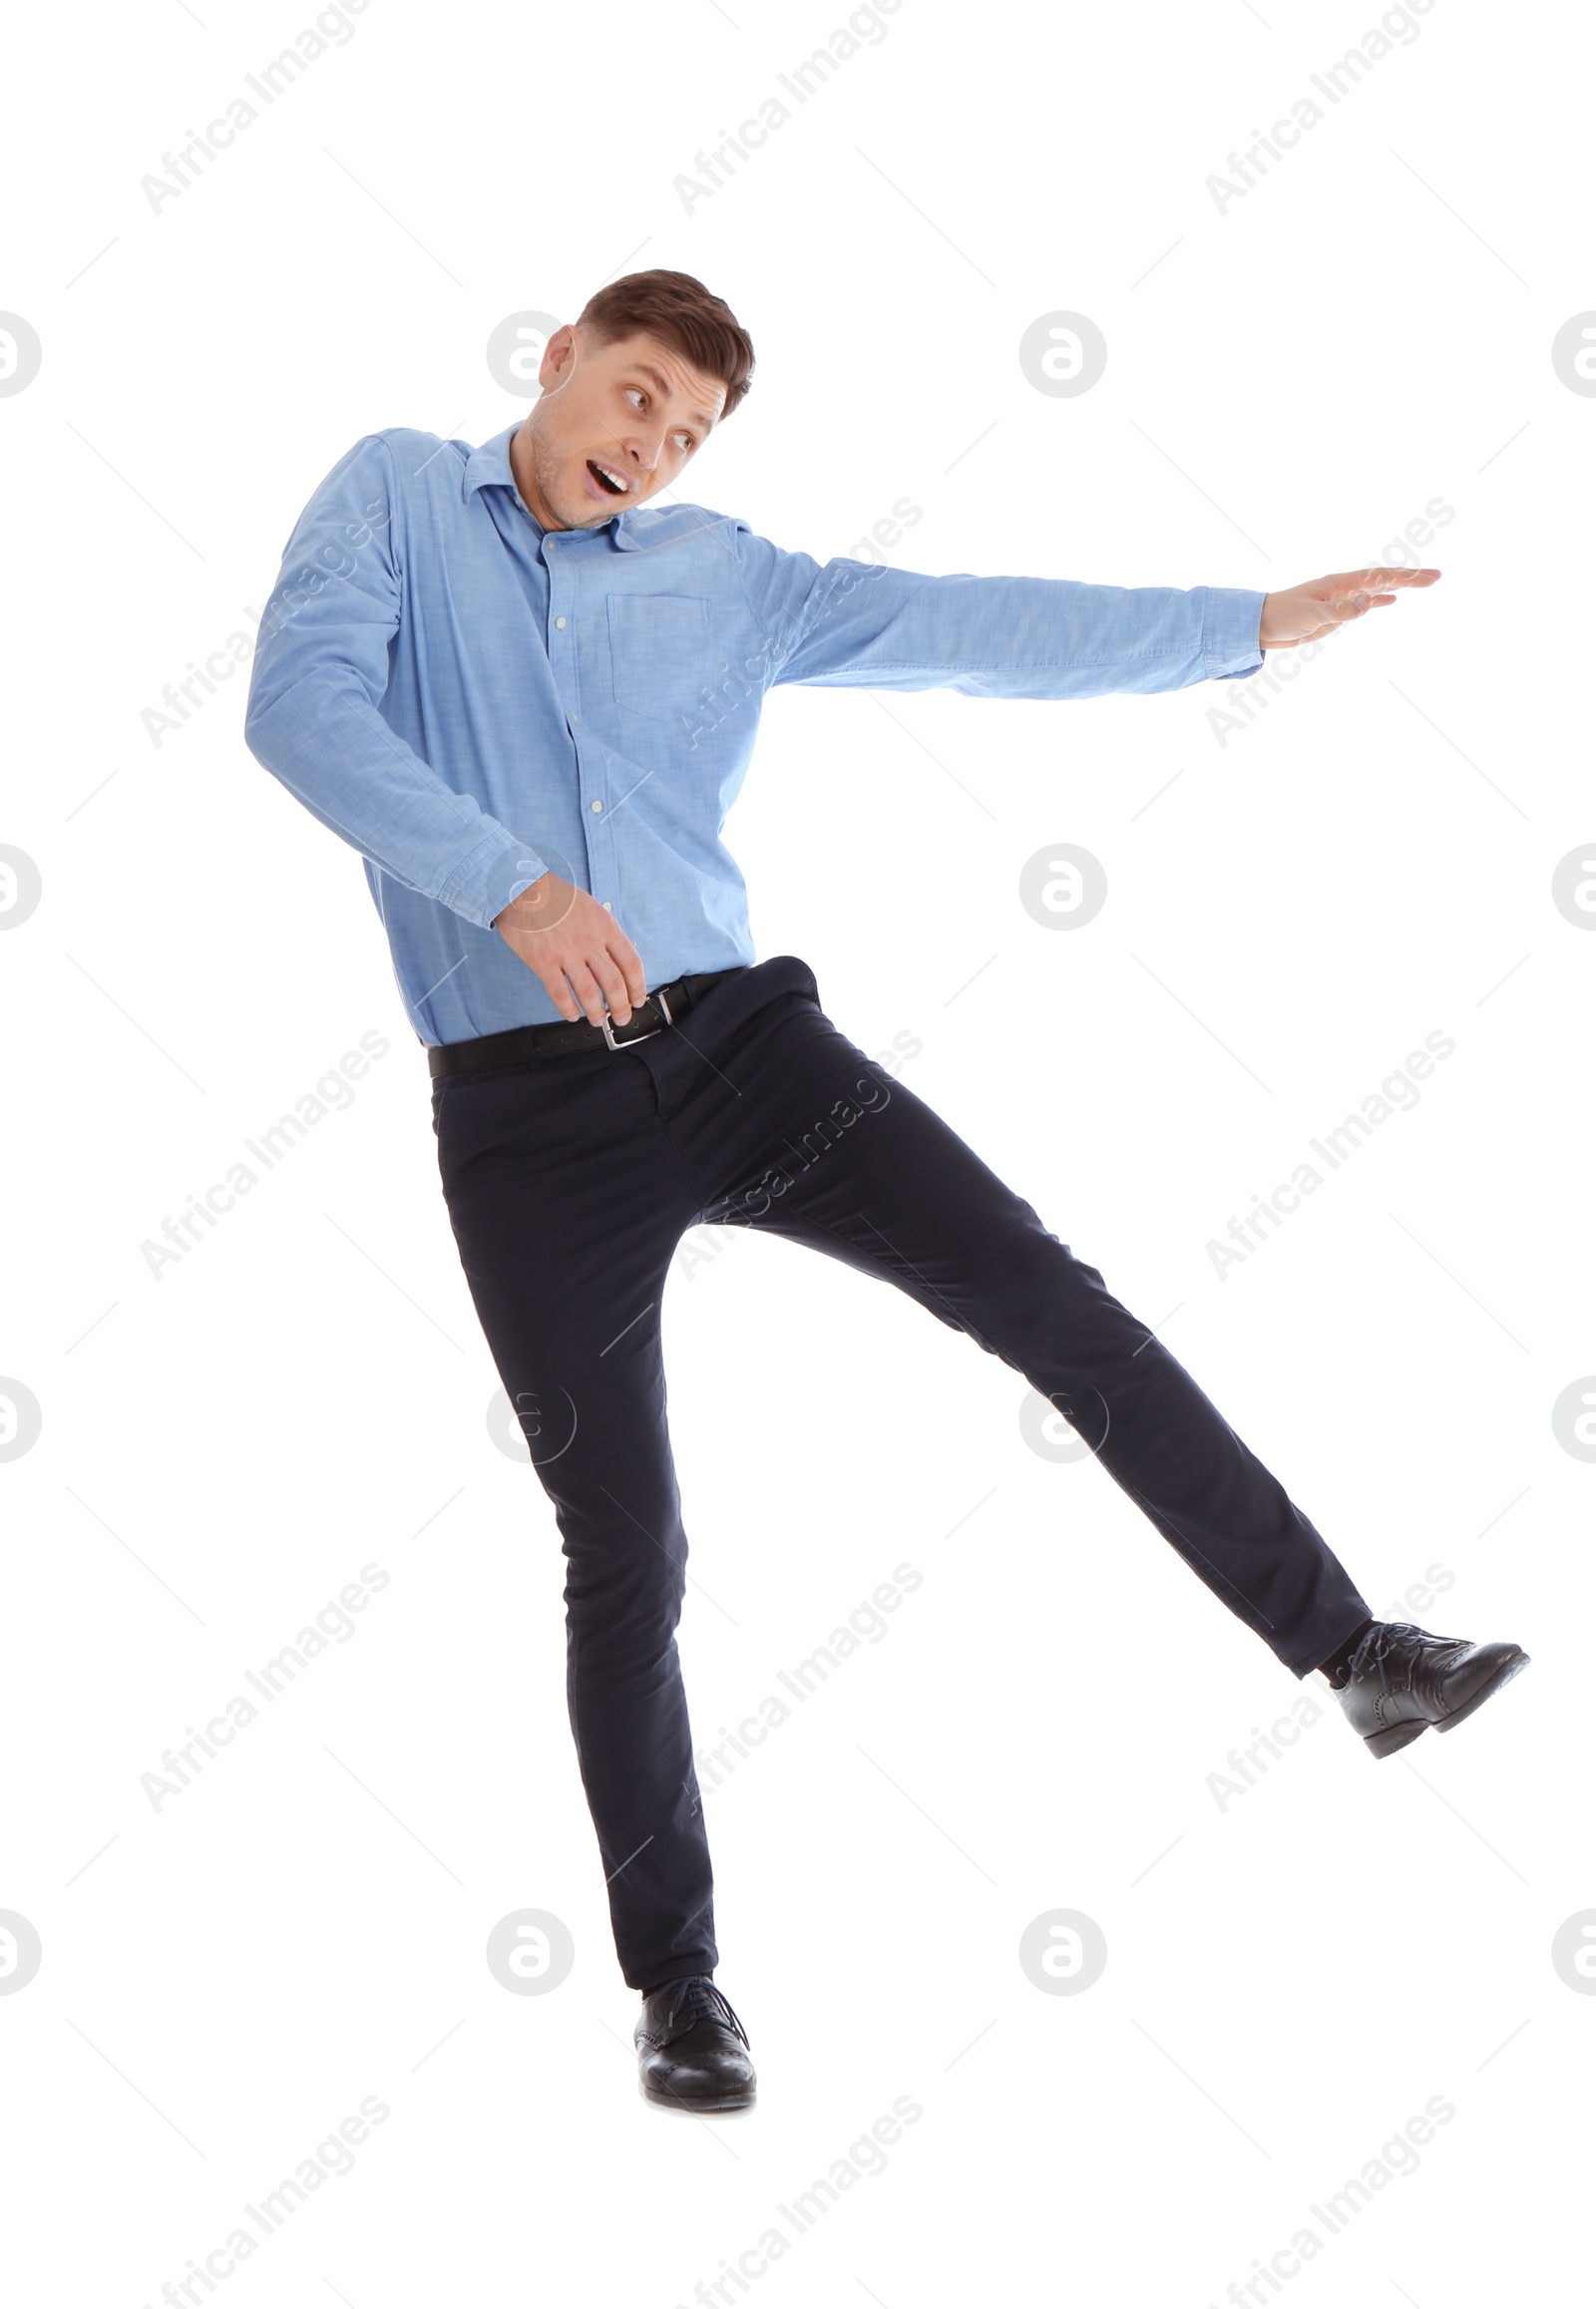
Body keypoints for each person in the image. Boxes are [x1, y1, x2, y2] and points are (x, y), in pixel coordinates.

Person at [243, 268, 1528, 2117]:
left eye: (685, 431)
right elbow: (300, 716)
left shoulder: (723, 576)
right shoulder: (387, 494)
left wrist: (1237, 626)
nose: (650, 444)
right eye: (635, 397)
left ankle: (1355, 1651)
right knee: (629, 1545)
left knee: (1058, 1305)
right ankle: (678, 1987)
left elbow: (970, 623)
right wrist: (509, 883)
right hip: (526, 1119)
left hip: (750, 1057)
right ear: (561, 363)